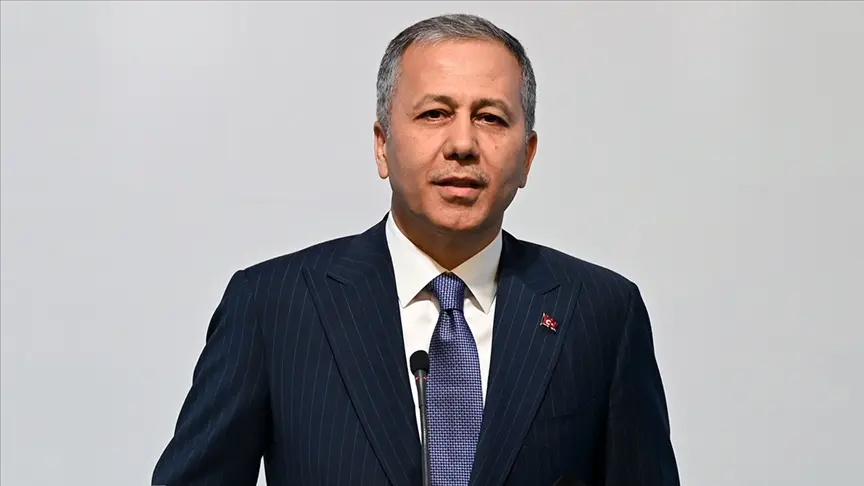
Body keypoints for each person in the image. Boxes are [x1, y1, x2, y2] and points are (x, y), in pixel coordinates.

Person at [151, 13, 679, 486]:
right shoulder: (272, 307)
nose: (463, 144)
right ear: (382, 144)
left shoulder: (601, 312)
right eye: (434, 114)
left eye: (491, 118)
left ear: (527, 157)